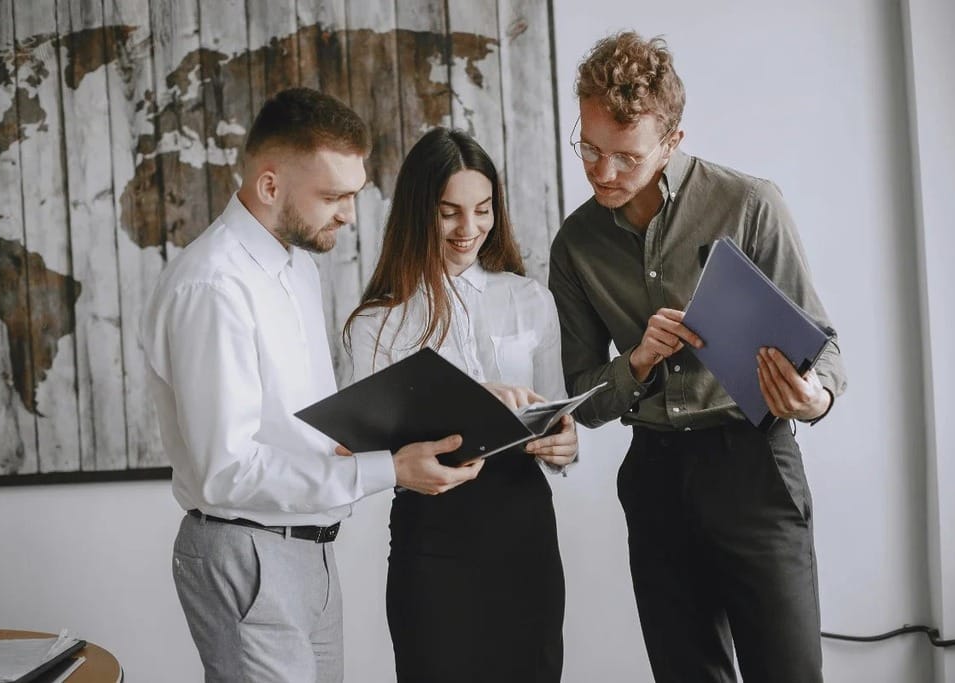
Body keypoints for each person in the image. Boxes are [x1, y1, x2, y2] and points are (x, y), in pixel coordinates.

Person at [139, 88, 482, 683]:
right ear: (270, 185)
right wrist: (388, 469)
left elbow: (291, 426)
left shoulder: (296, 265)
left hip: (310, 548)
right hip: (247, 551)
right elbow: (227, 470)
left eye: (353, 194)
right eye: (333, 196)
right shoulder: (213, 287)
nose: (350, 214)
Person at [548, 32, 847, 683]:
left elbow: (824, 348)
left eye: (626, 157)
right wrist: (636, 362)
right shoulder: (575, 244)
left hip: (754, 465)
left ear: (672, 141)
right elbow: (583, 399)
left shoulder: (750, 204)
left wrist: (813, 396)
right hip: (655, 475)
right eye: (589, 148)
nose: (602, 172)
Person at [343, 127, 578, 683]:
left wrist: (566, 445)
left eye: (483, 209)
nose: (468, 229)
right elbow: (365, 450)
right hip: (433, 537)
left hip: (525, 528)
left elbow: (554, 414)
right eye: (449, 213)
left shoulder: (530, 299)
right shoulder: (377, 322)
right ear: (417, 212)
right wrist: (474, 403)